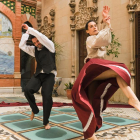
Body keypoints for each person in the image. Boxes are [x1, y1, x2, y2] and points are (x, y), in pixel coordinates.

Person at [71, 6, 140, 140]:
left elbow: (105, 39)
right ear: (87, 31)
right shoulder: (90, 40)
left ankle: (90, 134)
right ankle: (133, 99)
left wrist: (106, 23)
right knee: (119, 69)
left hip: (99, 71)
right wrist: (107, 25)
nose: (94, 27)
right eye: (91, 26)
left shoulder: (99, 36)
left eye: (95, 25)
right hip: (92, 70)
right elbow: (101, 39)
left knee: (92, 104)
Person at [19, 24, 56, 130]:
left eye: (37, 41)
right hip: (39, 74)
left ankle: (46, 122)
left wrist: (30, 29)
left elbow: (41, 37)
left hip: (49, 75)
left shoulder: (50, 45)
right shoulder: (34, 50)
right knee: (27, 90)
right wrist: (26, 34)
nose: (37, 44)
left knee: (47, 96)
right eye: (34, 43)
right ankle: (34, 110)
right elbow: (22, 46)